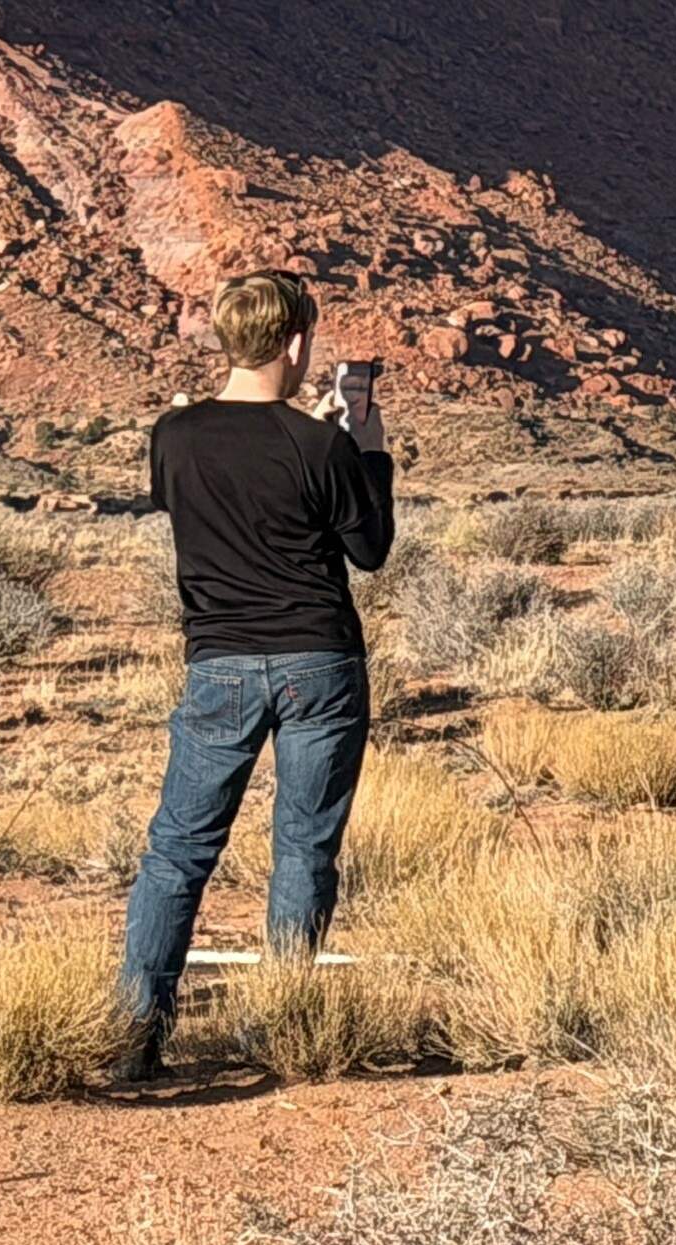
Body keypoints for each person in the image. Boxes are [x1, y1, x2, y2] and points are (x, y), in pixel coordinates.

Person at [116, 270, 396, 1081]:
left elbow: (192, 507)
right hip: (320, 662)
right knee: (304, 851)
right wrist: (368, 447)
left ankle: (136, 1036)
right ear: (297, 342)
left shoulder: (174, 436)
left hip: (220, 663)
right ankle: (281, 1031)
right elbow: (371, 550)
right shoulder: (321, 445)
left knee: (178, 853)